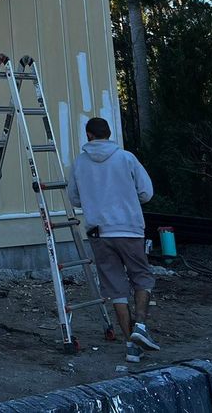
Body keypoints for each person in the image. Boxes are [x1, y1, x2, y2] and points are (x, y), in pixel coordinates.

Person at [67, 117, 159, 364]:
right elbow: (146, 193)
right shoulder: (126, 158)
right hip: (129, 228)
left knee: (116, 286)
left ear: (89, 135)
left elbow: (74, 199)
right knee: (141, 276)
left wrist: (95, 200)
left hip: (99, 232)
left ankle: (131, 346)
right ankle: (141, 326)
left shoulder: (80, 163)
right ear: (109, 134)